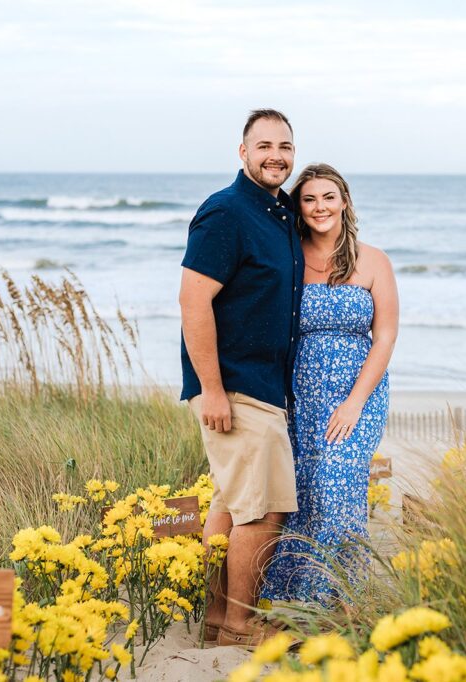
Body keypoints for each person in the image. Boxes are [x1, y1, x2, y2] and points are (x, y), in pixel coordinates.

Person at [178, 109, 304, 646]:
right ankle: (240, 624)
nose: (276, 155)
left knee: (231, 503)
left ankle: (213, 618)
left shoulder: (277, 213)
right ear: (242, 152)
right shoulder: (226, 212)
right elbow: (192, 299)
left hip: (262, 383)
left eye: (285, 146)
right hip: (234, 384)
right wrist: (211, 389)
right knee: (264, 509)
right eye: (264, 146)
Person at [261, 163, 398, 604]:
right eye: (309, 198)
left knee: (336, 484)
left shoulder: (373, 260)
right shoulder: (290, 259)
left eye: (328, 197)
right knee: (306, 490)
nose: (320, 207)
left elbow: (387, 335)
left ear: (344, 202)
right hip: (302, 395)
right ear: (298, 207)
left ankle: (330, 598)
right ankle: (290, 599)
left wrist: (355, 402)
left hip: (358, 395)